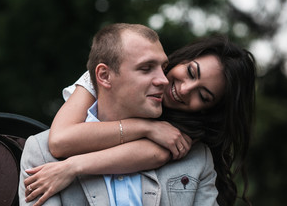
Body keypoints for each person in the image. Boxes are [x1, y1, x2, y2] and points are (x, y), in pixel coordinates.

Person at [19, 23, 221, 206]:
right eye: (146, 68)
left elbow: (158, 154)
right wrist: (147, 128)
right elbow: (59, 141)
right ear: (104, 76)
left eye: (203, 96)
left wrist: (74, 166)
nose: (165, 81)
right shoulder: (41, 153)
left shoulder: (189, 148)